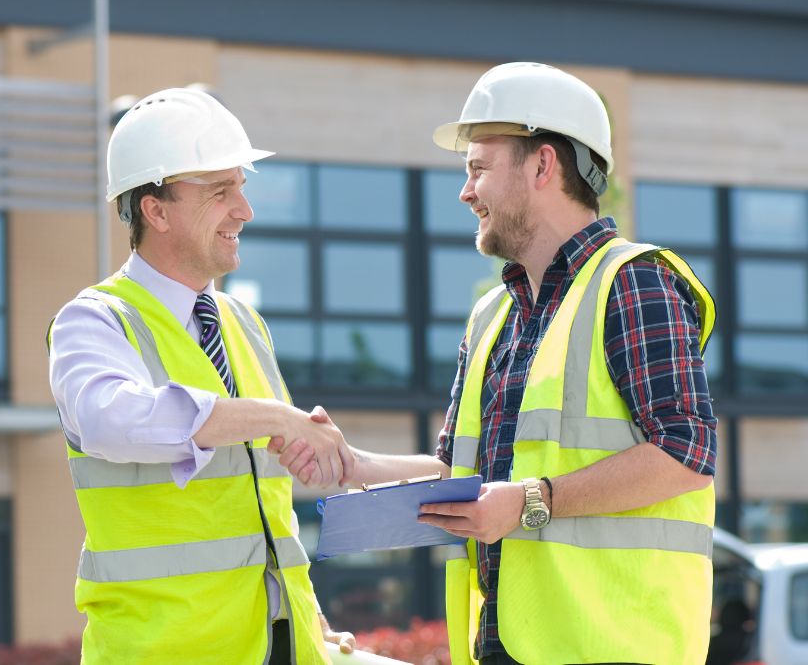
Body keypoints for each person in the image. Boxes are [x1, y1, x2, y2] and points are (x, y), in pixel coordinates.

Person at [273, 62, 717, 664]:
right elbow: (460, 472)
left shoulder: (635, 282)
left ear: (542, 165)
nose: (465, 191)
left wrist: (532, 500)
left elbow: (685, 454)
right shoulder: (493, 316)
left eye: (478, 168)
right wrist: (356, 464)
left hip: (616, 648)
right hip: (506, 644)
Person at [47, 86, 355, 665]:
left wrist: (303, 620)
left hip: (277, 647)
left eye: (241, 186)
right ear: (155, 210)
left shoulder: (244, 324)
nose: (245, 209)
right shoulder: (94, 321)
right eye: (220, 192)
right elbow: (110, 420)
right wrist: (276, 418)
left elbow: (266, 504)